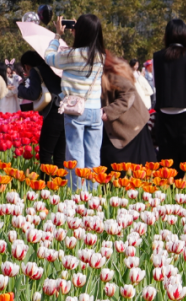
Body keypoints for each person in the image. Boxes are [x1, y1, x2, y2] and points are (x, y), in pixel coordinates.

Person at [46, 15, 105, 190]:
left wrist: (57, 35)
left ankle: (78, 195)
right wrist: (78, 33)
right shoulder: (101, 56)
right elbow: (85, 48)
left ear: (80, 32)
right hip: (95, 110)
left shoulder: (71, 55)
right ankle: (94, 195)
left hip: (76, 110)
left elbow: (49, 57)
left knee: (75, 154)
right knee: (93, 156)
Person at [153, 19, 186, 167]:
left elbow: (155, 84)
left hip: (164, 113)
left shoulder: (157, 57)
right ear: (185, 35)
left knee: (167, 160)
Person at [100, 52, 156, 167]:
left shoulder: (111, 72)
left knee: (130, 170)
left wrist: (108, 111)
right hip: (119, 126)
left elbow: (128, 94)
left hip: (133, 127)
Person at [18, 51, 65, 166]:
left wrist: (19, 89)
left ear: (26, 66)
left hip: (53, 112)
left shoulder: (36, 70)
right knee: (60, 154)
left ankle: (48, 182)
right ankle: (59, 182)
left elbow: (33, 94)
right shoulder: (55, 68)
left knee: (46, 153)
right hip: (65, 111)